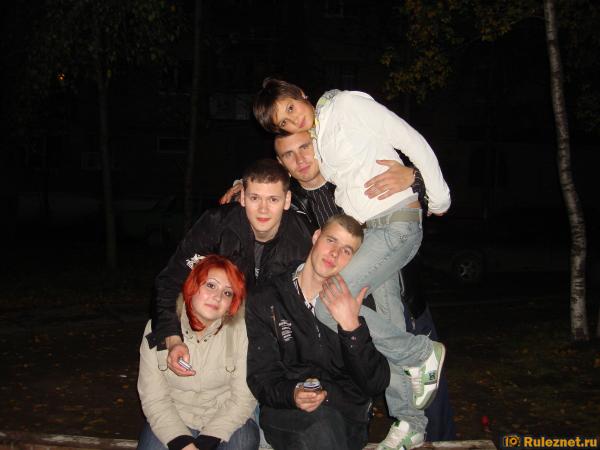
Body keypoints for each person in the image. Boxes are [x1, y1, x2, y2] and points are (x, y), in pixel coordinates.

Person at [254, 79, 451, 449]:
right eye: (283, 125)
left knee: (331, 305)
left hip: (395, 235)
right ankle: (410, 424)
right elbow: (271, 187)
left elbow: (406, 138)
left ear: (301, 94)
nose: (294, 125)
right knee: (390, 337)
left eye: (292, 111)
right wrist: (244, 185)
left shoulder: (344, 109)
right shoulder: (311, 176)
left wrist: (425, 184)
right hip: (375, 252)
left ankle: (423, 352)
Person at [147, 159, 312, 377]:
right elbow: (170, 280)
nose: (263, 209)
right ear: (242, 197)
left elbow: (311, 304)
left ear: (287, 200)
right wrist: (172, 338)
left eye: (273, 199)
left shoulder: (302, 238)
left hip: (273, 326)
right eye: (254, 198)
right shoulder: (217, 224)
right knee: (162, 327)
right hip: (223, 317)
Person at [245, 214, 390, 450]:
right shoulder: (268, 298)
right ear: (316, 237)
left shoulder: (360, 301)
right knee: (321, 426)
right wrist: (293, 393)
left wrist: (351, 328)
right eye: (331, 240)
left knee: (327, 427)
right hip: (287, 412)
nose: (334, 253)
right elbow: (261, 377)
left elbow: (376, 383)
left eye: (346, 251)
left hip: (347, 415)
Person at [137, 255, 259, 450]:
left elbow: (243, 397)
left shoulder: (241, 331)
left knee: (242, 441)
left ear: (232, 303)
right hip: (174, 418)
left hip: (225, 420)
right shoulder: (157, 329)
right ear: (192, 285)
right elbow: (154, 398)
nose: (218, 297)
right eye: (211, 285)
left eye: (227, 292)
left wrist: (208, 440)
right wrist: (181, 441)